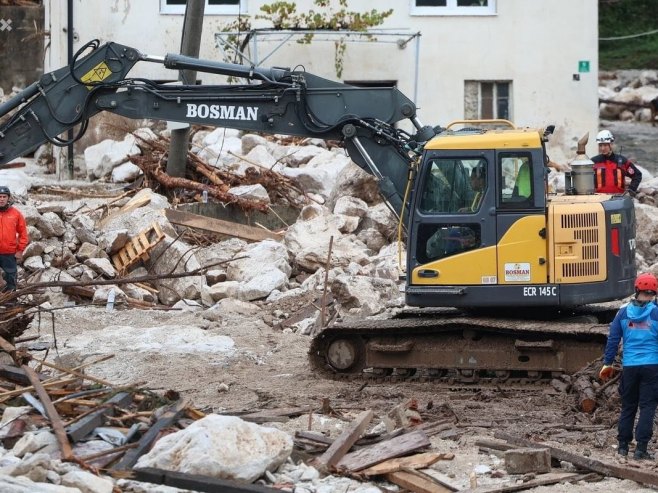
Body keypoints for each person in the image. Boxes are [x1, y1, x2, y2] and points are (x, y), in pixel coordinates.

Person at [599, 273, 658, 460]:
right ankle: (641, 449)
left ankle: (623, 447)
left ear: (636, 289)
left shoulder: (623, 312)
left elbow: (613, 339)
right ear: (654, 291)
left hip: (630, 366)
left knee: (628, 407)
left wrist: (607, 363)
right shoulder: (656, 312)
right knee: (648, 407)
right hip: (652, 366)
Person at [592, 130, 642, 195]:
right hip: (598, 199)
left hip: (619, 199)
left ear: (611, 144)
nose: (602, 148)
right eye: (600, 145)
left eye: (605, 145)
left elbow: (637, 175)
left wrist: (630, 190)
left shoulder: (623, 161)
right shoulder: (593, 162)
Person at [0, 186, 28, 292]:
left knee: (11, 278)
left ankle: (11, 301)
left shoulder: (15, 214)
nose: (1, 199)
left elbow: (23, 233)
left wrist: (20, 250)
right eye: (0, 196)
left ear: (8, 198)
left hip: (9, 253)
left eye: (4, 196)